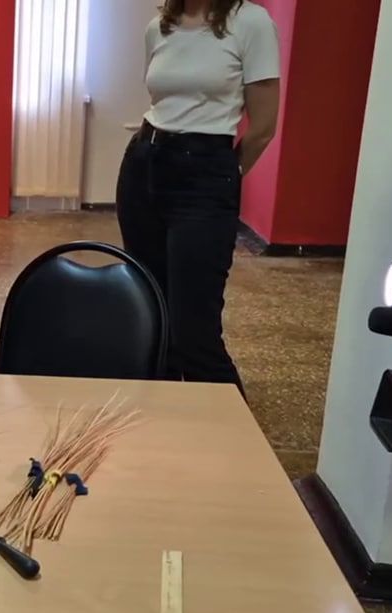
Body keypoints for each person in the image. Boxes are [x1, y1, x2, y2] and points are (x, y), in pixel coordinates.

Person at [116, 0, 280, 396]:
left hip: (205, 174)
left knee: (195, 332)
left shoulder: (250, 22)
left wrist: (220, 177)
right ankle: (165, 419)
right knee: (152, 312)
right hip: (143, 164)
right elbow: (163, 102)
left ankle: (230, 432)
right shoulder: (159, 26)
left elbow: (263, 126)